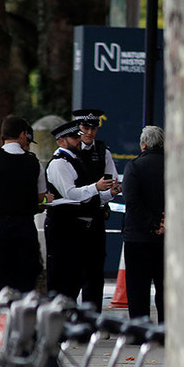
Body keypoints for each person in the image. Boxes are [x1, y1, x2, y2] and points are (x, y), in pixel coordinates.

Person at [45, 120, 119, 308]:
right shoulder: (59, 163)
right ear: (61, 141)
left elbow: (89, 198)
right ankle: (60, 324)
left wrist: (108, 193)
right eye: (74, 137)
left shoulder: (82, 159)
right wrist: (96, 187)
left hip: (89, 226)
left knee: (91, 277)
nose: (79, 140)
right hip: (66, 227)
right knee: (66, 281)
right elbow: (71, 194)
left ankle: (89, 324)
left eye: (79, 136)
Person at [0, 115, 46, 292]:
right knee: (25, 284)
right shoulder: (34, 163)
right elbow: (41, 199)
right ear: (22, 134)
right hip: (25, 228)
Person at [72, 108, 119, 311]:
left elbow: (111, 183)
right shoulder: (69, 150)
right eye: (85, 127)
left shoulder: (103, 151)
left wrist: (109, 193)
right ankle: (69, 319)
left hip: (96, 215)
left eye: (93, 128)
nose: (89, 132)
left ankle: (92, 320)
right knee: (72, 272)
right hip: (73, 217)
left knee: (95, 271)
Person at [122, 126, 165, 323]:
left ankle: (140, 329)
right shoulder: (175, 165)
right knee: (166, 287)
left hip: (138, 236)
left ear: (143, 145)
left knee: (138, 287)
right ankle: (168, 327)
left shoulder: (135, 167)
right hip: (167, 236)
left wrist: (152, 223)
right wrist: (163, 223)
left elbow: (132, 202)